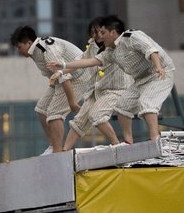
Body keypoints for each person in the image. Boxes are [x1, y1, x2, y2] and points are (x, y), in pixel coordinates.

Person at [48, 15, 175, 142]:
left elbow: (151, 50)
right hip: (140, 80)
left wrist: (158, 66)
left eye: (103, 33)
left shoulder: (132, 36)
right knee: (122, 107)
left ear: (113, 32)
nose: (100, 36)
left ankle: (154, 138)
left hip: (159, 74)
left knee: (146, 102)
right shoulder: (111, 51)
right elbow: (90, 61)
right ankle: (127, 142)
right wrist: (63, 65)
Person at [54, 17, 133, 150]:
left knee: (97, 115)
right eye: (93, 32)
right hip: (96, 90)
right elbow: (81, 61)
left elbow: (89, 62)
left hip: (116, 89)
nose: (97, 35)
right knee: (79, 121)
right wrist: (61, 71)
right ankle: (65, 151)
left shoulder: (113, 46)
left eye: (100, 32)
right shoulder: (92, 46)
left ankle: (118, 146)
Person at [10, 26, 91, 154]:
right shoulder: (36, 49)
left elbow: (64, 76)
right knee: (42, 109)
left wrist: (72, 103)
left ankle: (58, 152)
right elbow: (57, 76)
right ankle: (53, 146)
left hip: (80, 76)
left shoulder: (45, 50)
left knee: (54, 114)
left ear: (29, 43)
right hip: (63, 79)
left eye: (19, 47)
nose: (18, 51)